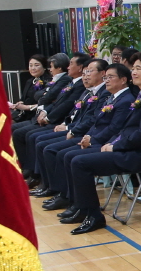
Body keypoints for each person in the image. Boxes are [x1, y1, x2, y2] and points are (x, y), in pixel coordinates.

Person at [65, 52, 141, 234]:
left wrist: (115, 146)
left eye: (138, 68)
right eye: (133, 68)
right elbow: (125, 129)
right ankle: (83, 209)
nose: (134, 72)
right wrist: (111, 142)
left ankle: (94, 216)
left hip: (136, 155)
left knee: (79, 162)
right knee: (71, 155)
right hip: (125, 147)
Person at [45, 64, 135, 212]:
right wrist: (88, 136)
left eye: (110, 77)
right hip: (95, 137)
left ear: (124, 79)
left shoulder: (126, 100)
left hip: (107, 142)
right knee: (64, 154)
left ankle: (81, 206)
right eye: (105, 77)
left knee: (69, 157)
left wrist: (92, 140)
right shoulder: (113, 97)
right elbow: (97, 121)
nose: (106, 80)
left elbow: (114, 128)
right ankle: (71, 200)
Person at [28, 58, 108, 193]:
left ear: (102, 74)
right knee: (39, 140)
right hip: (75, 128)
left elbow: (92, 120)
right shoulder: (88, 91)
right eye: (85, 72)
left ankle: (59, 190)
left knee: (48, 147)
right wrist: (65, 123)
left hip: (85, 133)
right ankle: (47, 184)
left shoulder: (104, 93)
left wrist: (69, 129)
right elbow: (73, 111)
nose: (86, 75)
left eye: (90, 72)